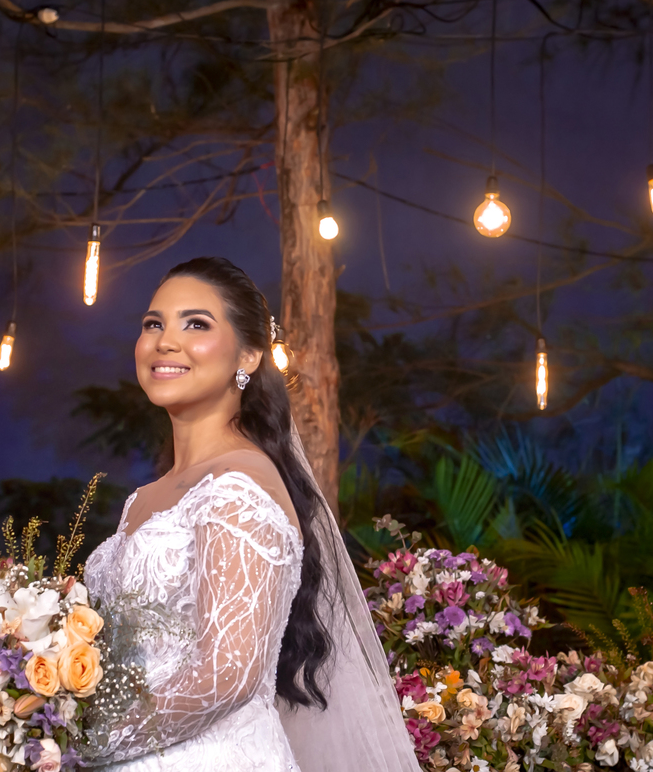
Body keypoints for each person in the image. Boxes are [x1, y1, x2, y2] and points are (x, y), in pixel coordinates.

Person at [81, 258, 421, 771]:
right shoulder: (145, 498)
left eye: (196, 324)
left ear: (249, 354)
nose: (164, 342)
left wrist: (85, 740)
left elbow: (228, 672)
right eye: (154, 324)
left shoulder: (239, 483)